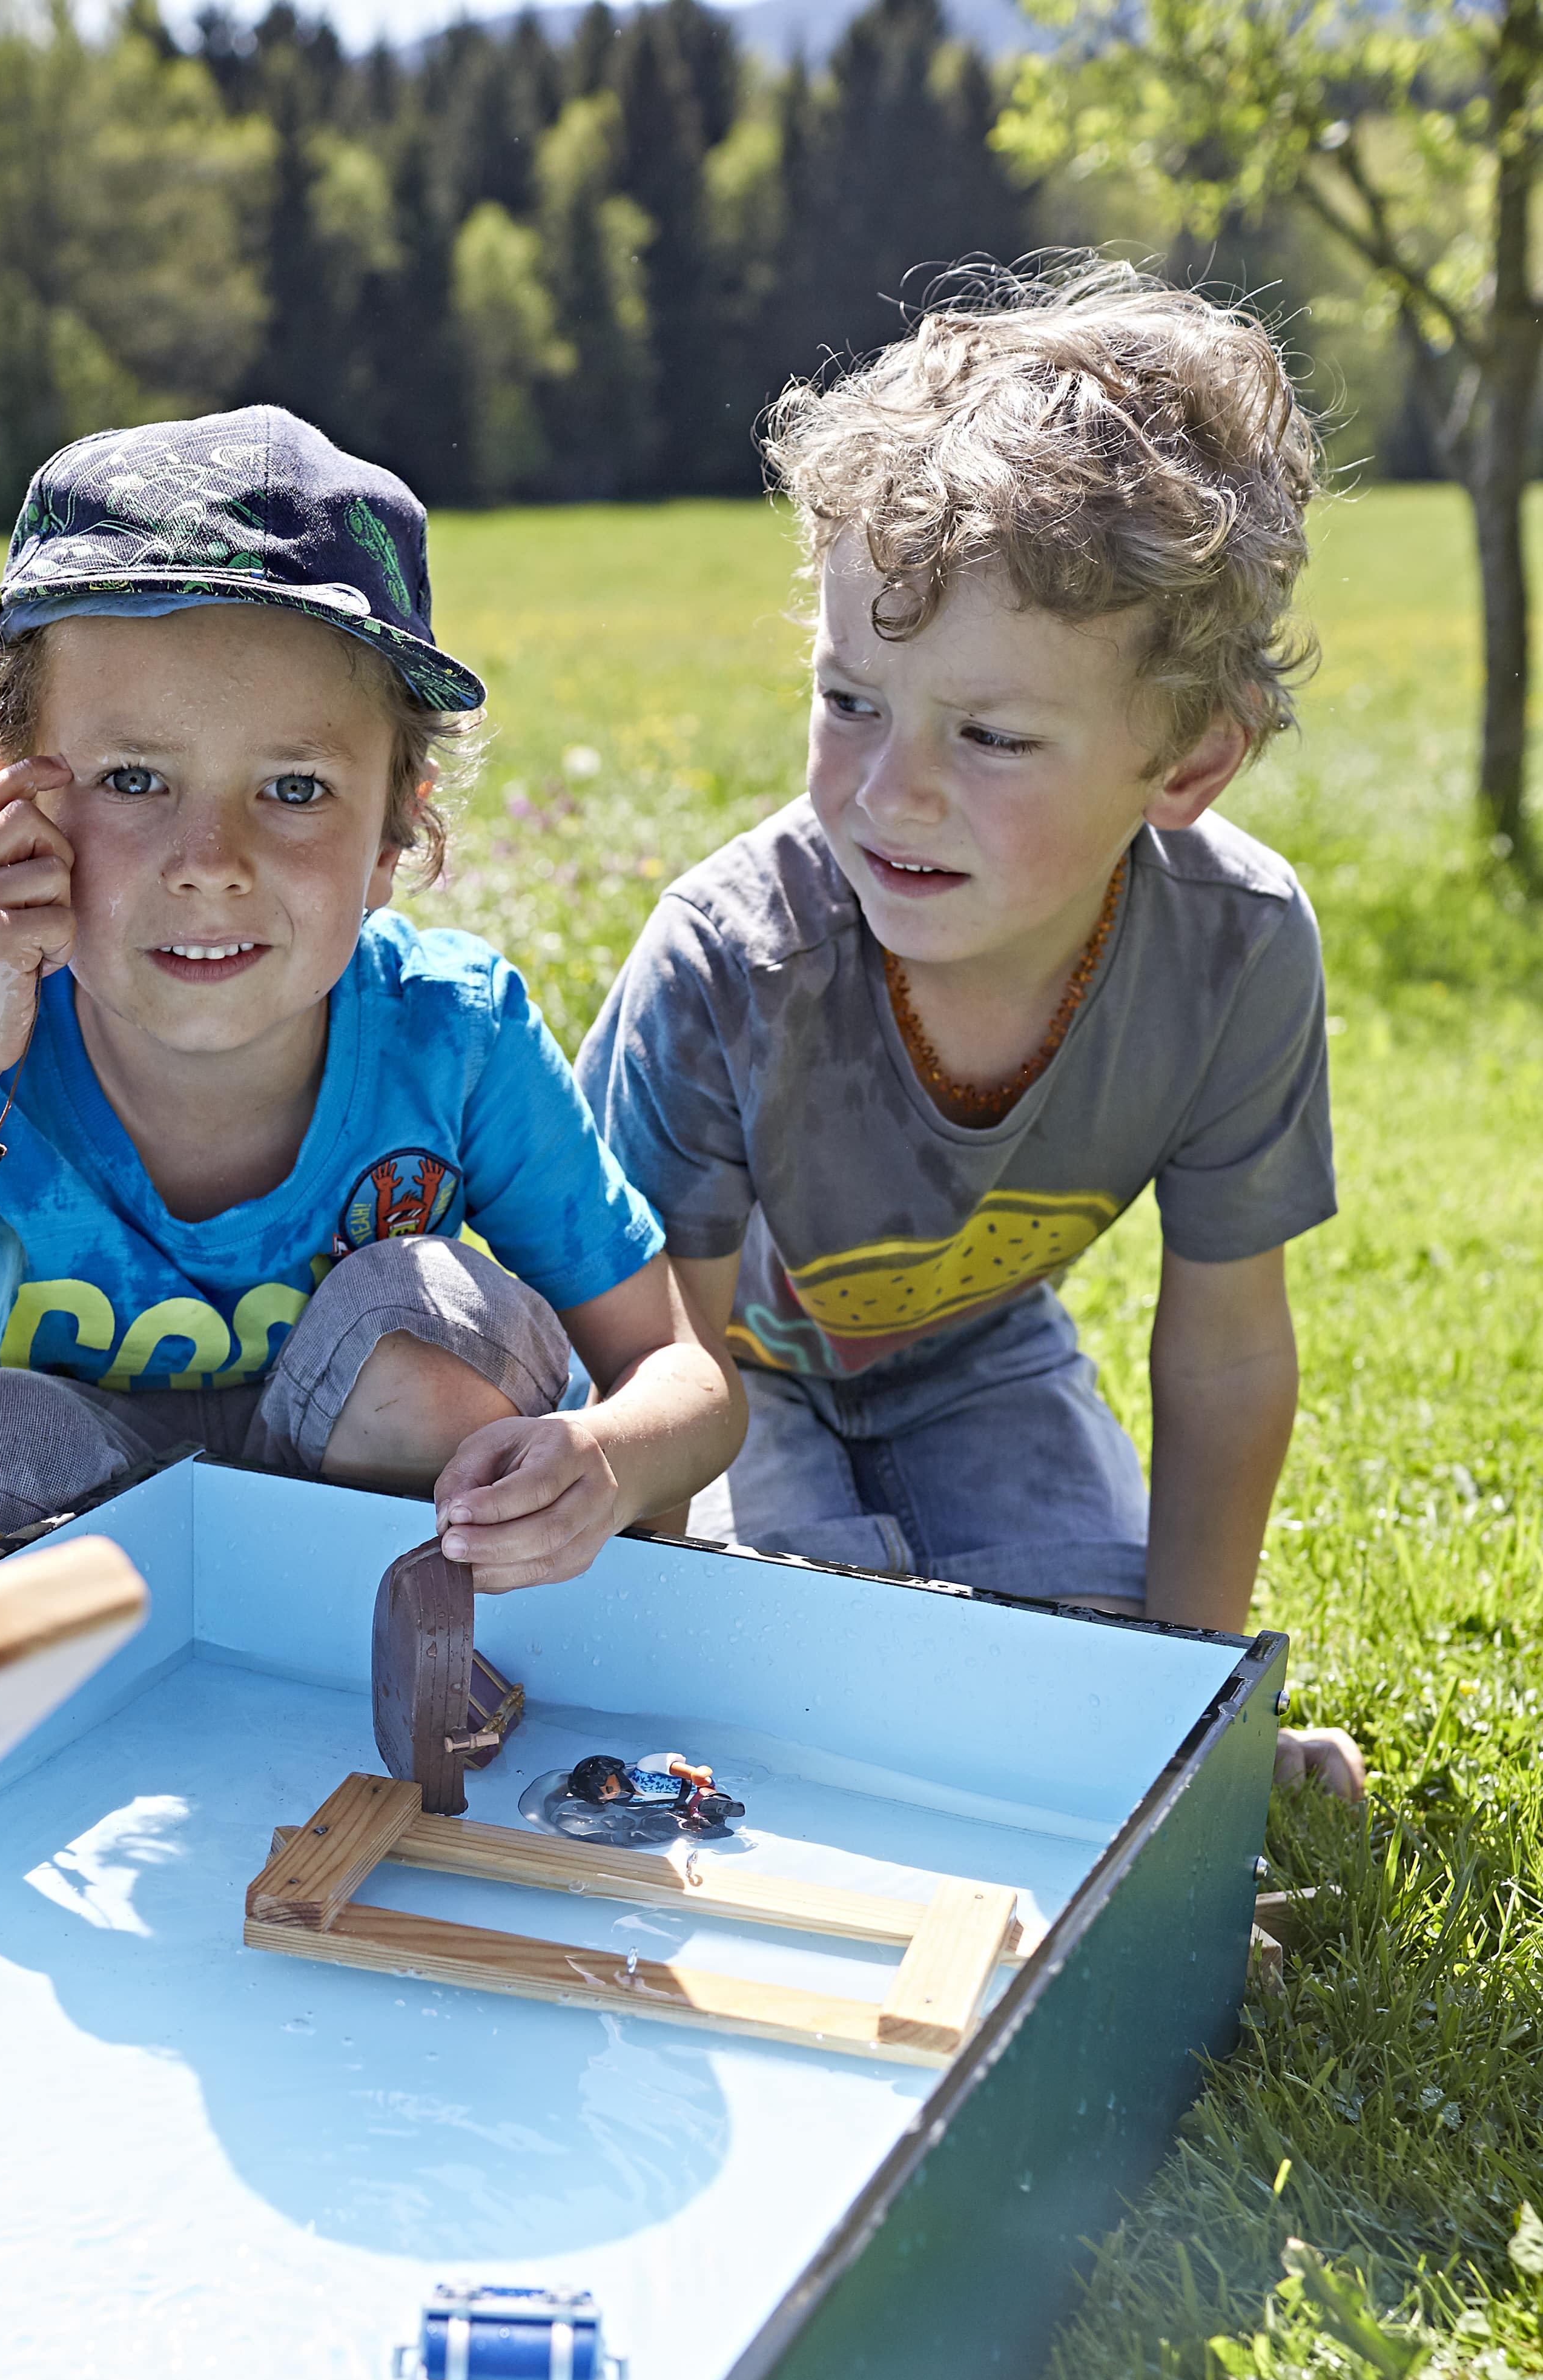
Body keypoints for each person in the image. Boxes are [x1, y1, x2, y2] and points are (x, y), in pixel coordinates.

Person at [578, 262, 1365, 1796]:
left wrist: (1186, 1717)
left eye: (991, 736)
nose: (891, 794)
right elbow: (647, 1375)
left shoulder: (1236, 953)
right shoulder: (731, 964)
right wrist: (667, 1679)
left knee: (1082, 1667)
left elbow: (1223, 1360)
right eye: (851, 700)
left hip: (981, 1360)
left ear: (1189, 760)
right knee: (804, 1702)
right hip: (730, 1377)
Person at [0, 408, 742, 1596]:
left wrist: (609, 1460)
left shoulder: (449, 1032)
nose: (211, 858)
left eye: (295, 787)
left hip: (389, 1573)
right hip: (100, 1553)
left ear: (395, 831)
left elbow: (686, 1374)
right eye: (134, 779)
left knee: (408, 1337)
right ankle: (82, 1750)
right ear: (10, 805)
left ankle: (429, 1712)